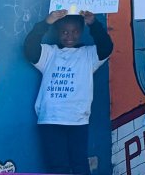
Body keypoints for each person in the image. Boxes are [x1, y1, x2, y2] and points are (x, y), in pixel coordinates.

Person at [23, 9, 112, 175]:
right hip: (51, 118)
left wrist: (93, 23)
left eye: (75, 31)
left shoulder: (89, 54)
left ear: (81, 31)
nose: (69, 36)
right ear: (57, 32)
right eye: (64, 31)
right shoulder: (49, 53)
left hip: (77, 119)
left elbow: (106, 47)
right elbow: (30, 48)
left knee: (79, 165)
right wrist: (46, 22)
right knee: (57, 166)